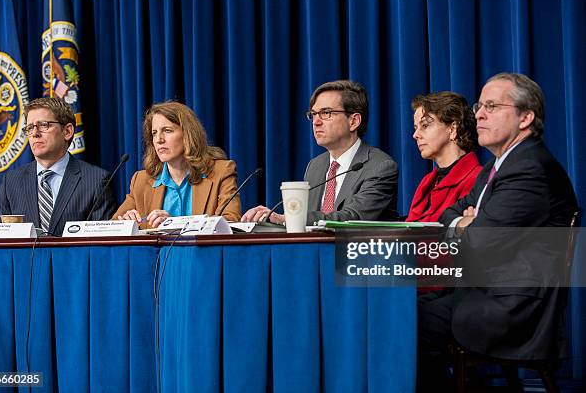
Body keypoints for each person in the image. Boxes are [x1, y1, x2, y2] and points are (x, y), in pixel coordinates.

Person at [417, 73, 578, 389]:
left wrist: (469, 226)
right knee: (392, 308)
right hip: (479, 293)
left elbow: (479, 245)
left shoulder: (529, 168)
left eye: (492, 106)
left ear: (525, 118)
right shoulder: (497, 166)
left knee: (398, 322)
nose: (478, 114)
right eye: (480, 105)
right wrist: (463, 223)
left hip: (510, 309)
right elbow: (448, 214)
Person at [242, 80, 398, 225]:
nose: (316, 122)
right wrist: (272, 221)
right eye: (314, 114)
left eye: (326, 113)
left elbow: (352, 218)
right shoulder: (315, 166)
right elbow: (310, 223)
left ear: (354, 121)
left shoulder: (381, 167)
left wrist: (287, 218)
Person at [0, 97, 117, 236]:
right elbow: (2, 241)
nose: (35, 133)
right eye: (30, 128)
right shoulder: (11, 182)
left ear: (67, 132)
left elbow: (101, 244)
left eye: (44, 125)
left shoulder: (96, 181)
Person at [113, 101, 241, 228]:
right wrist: (126, 223)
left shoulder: (221, 171)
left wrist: (174, 224)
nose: (159, 140)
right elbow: (112, 226)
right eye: (154, 133)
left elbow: (230, 222)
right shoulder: (141, 181)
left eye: (167, 131)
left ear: (188, 134)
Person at [407, 91, 481, 222]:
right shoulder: (427, 181)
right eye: (415, 127)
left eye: (424, 125)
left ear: (453, 129)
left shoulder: (477, 179)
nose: (415, 135)